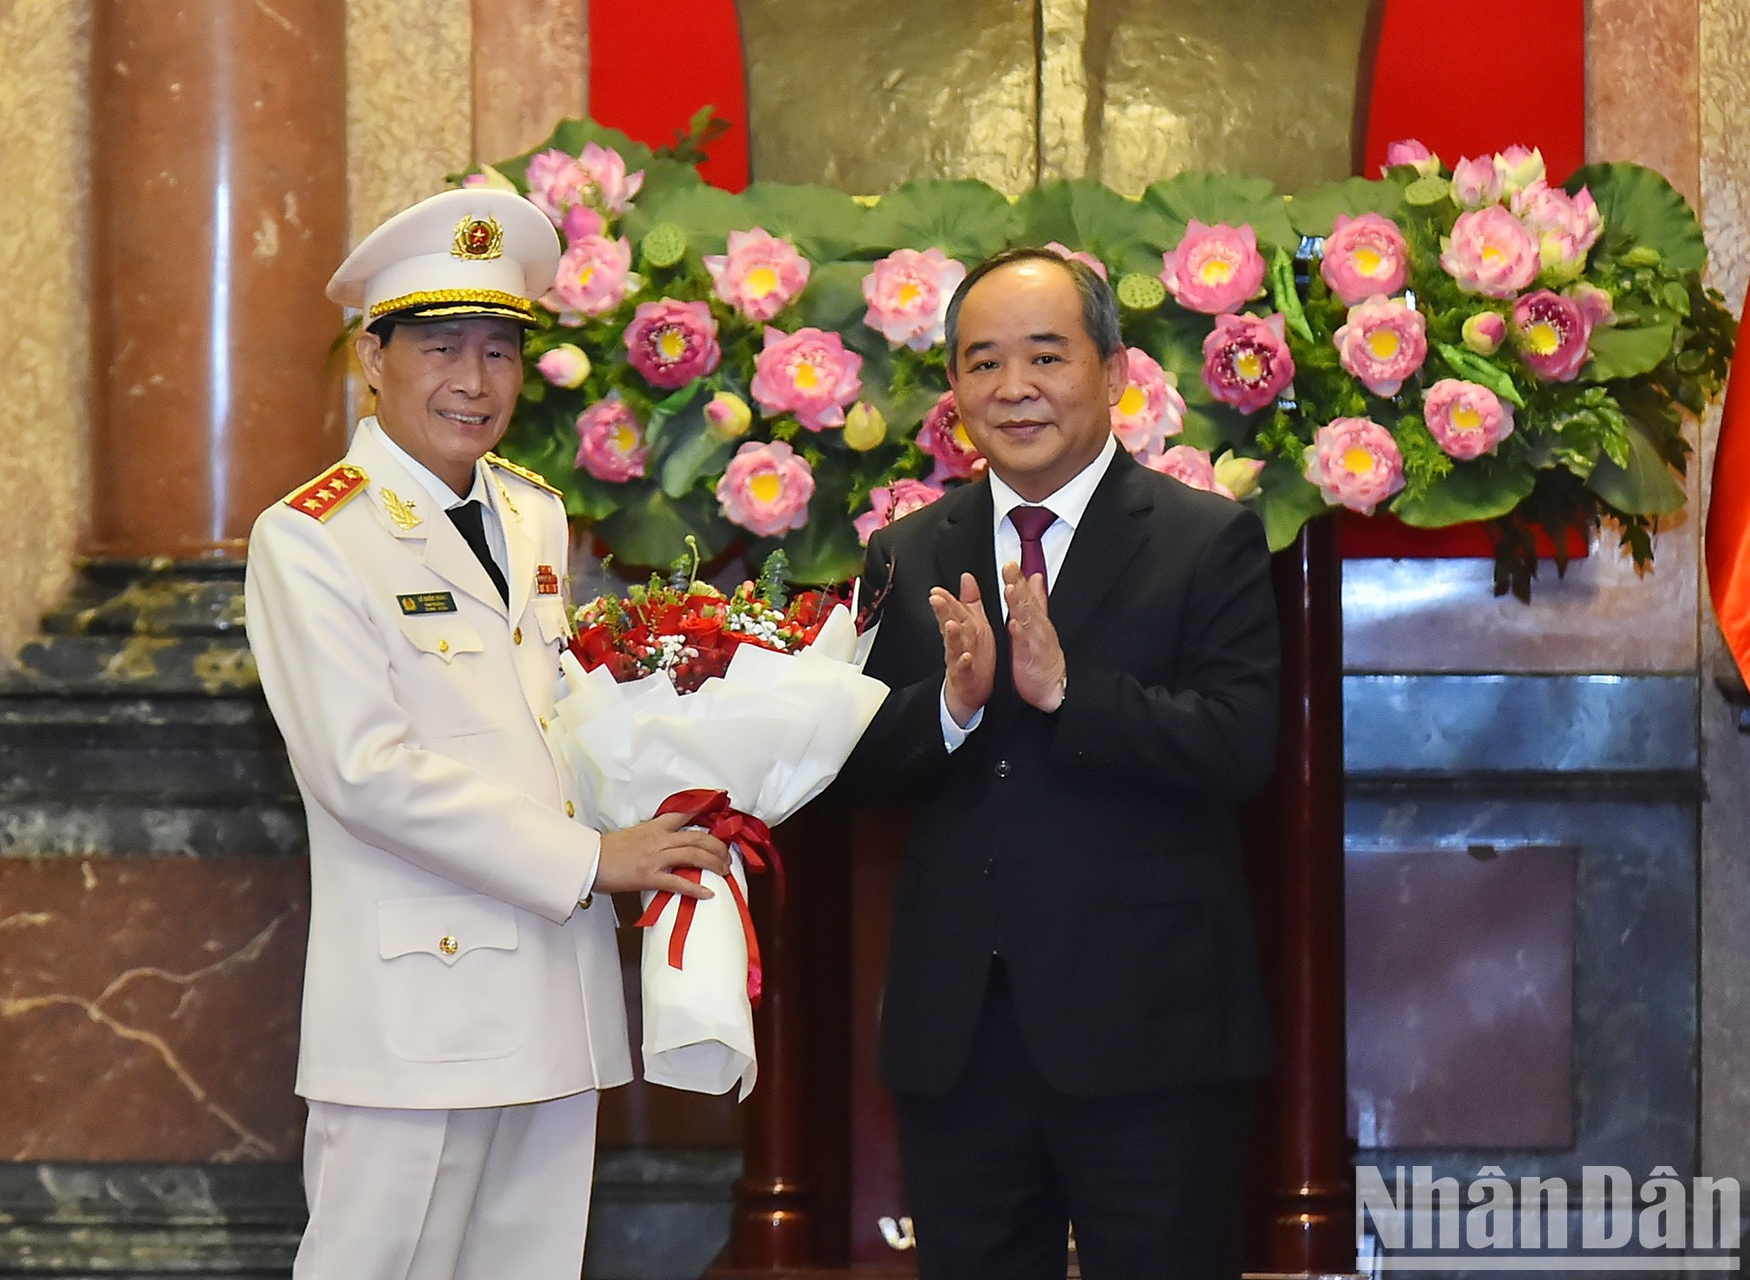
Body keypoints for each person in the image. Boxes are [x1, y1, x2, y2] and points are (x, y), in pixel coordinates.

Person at [244, 188, 730, 1280]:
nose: (474, 379)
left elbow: (552, 718)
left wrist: (677, 784)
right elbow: (363, 769)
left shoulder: (532, 513)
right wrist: (593, 858)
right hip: (420, 1007)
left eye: (501, 350)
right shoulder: (313, 536)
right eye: (440, 345)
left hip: (555, 996)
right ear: (372, 356)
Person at [840, 247, 1281, 1279]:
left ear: (1115, 370)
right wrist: (949, 708)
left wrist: (1070, 691)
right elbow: (846, 771)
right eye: (982, 362)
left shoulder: (1205, 539)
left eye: (1046, 355)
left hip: (1154, 1035)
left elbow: (1239, 743)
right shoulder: (905, 555)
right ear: (953, 389)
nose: (1014, 388)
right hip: (960, 1042)